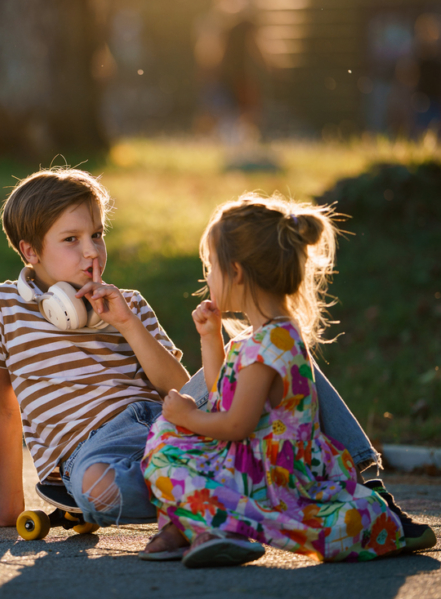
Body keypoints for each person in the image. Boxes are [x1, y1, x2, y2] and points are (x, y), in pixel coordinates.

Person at [0, 168, 429, 542]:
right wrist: (10, 506)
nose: (92, 252)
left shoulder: (129, 302)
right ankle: (220, 501)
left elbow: (178, 382)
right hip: (92, 450)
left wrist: (128, 324)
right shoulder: (1, 306)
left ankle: (367, 486)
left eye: (98, 235)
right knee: (97, 492)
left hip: (172, 417)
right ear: (30, 250)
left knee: (278, 343)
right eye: (72, 239)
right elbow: (4, 407)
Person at [139, 194, 437, 567]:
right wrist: (210, 338)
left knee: (163, 445)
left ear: (236, 272)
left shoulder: (267, 348)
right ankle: (214, 527)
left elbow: (235, 423)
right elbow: (223, 397)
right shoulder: (263, 338)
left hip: (270, 479)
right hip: (265, 468)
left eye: (209, 267)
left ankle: (218, 527)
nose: (206, 278)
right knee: (169, 437)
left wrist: (186, 417)